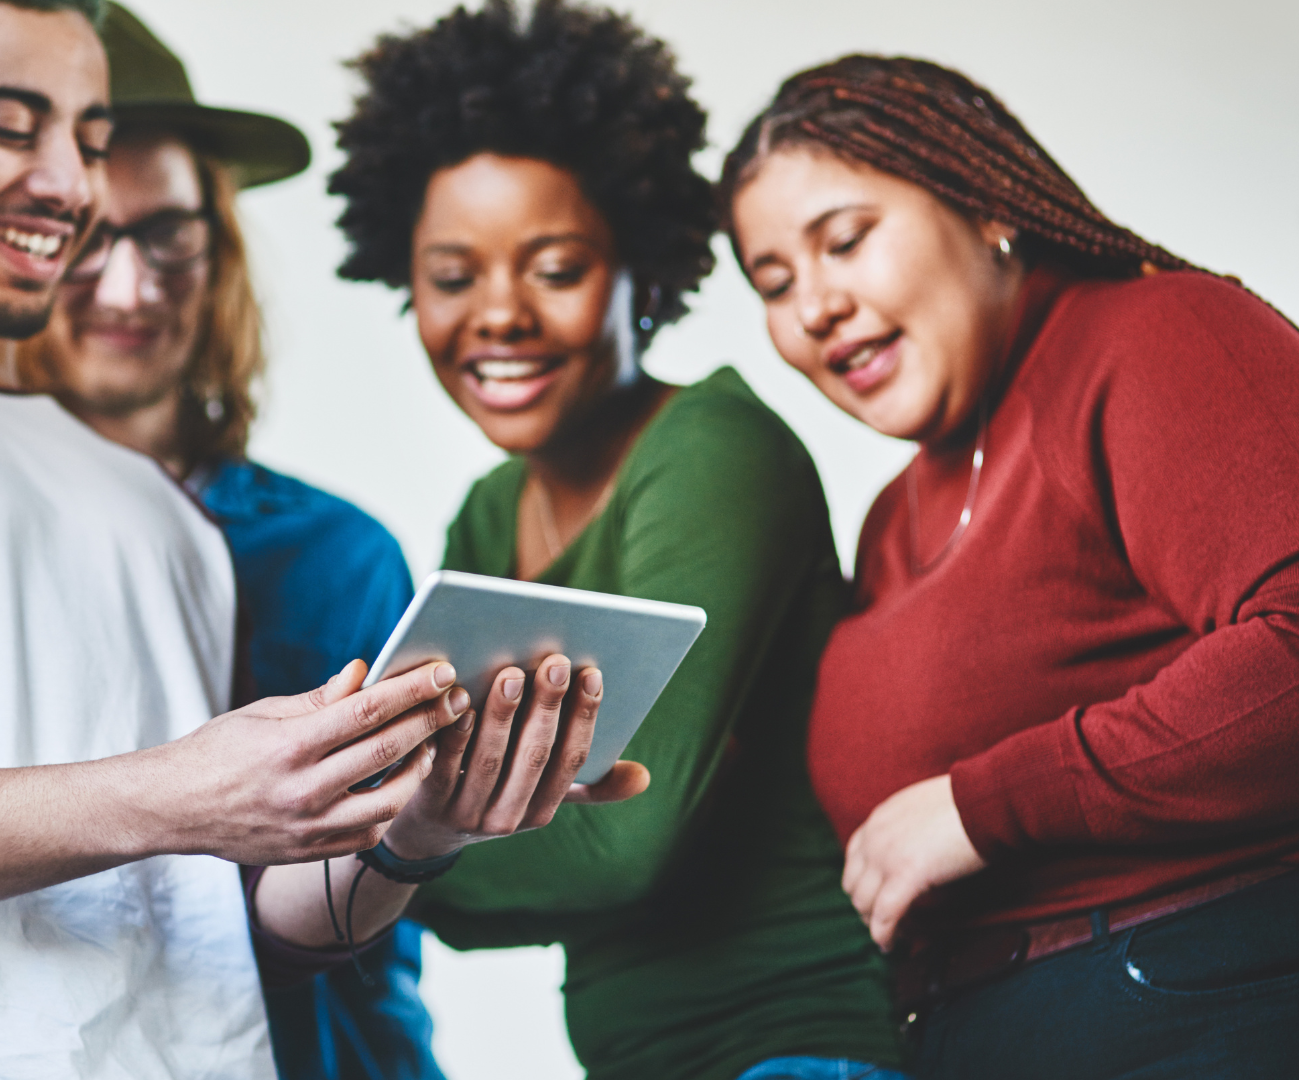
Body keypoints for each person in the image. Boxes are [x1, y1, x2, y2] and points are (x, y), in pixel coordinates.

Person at [0, 2, 635, 1077]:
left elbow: (230, 933)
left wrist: (414, 833)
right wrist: (180, 791)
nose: (71, 184)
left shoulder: (164, 507)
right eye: (13, 127)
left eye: (91, 141)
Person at [329, 4, 906, 1080]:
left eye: (555, 268)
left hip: (799, 1044)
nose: (498, 315)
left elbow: (625, 847)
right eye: (454, 278)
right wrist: (441, 835)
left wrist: (413, 847)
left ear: (645, 270)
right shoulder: (489, 514)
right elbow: (467, 863)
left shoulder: (714, 450)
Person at [722, 54, 1299, 1079]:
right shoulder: (895, 517)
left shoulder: (1152, 334)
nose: (814, 305)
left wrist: (980, 806)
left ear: (985, 206)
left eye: (846, 241)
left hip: (1193, 1001)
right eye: (775, 283)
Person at [32, 7, 444, 1079]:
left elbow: (364, 918)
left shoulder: (338, 552)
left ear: (217, 243)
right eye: (83, 235)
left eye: (168, 230)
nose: (132, 287)